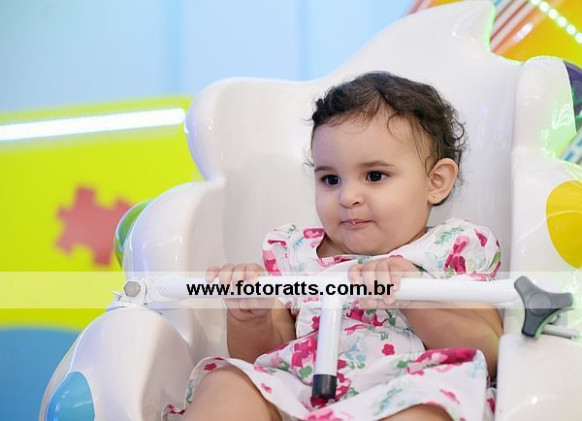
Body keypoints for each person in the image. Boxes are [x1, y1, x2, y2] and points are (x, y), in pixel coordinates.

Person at [172, 72, 502, 421]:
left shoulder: (451, 249)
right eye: (330, 179)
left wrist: (415, 296)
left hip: (406, 392)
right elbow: (263, 356)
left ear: (436, 182)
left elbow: (490, 351)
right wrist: (251, 317)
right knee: (229, 382)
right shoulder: (296, 254)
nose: (348, 196)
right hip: (300, 392)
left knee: (430, 410)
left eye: (375, 176)